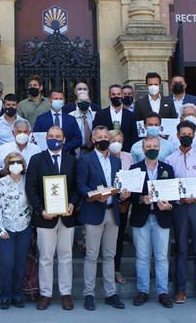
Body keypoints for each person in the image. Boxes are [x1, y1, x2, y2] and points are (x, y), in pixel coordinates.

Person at [25, 125, 79, 311]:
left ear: (64, 140)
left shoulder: (72, 160)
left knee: (66, 256)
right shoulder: (36, 160)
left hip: (67, 217)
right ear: (45, 138)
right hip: (45, 218)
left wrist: (72, 203)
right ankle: (45, 294)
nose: (54, 138)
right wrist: (40, 210)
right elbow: (30, 188)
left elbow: (76, 188)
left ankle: (66, 293)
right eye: (50, 136)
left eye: (57, 136)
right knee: (46, 258)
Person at [164, 121, 196, 304]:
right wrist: (178, 196)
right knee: (180, 248)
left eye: (189, 133)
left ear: (193, 136)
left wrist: (195, 197)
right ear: (178, 136)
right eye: (183, 133)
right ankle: (180, 290)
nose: (186, 136)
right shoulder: (170, 159)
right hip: (178, 208)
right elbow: (167, 186)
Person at [77, 126, 128, 310]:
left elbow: (118, 184)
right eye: (100, 137)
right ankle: (89, 294)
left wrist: (123, 193)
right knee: (91, 255)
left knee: (109, 255)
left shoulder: (116, 161)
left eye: (106, 136)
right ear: (93, 139)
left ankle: (110, 293)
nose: (104, 139)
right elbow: (80, 185)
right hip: (93, 212)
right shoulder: (85, 159)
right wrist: (94, 194)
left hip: (112, 212)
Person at [128, 135, 175, 308]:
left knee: (162, 257)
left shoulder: (168, 169)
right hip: (141, 217)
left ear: (160, 148)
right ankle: (143, 291)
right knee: (142, 257)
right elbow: (130, 196)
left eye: (155, 145)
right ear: (143, 149)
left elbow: (173, 194)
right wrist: (141, 199)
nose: (152, 148)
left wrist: (168, 206)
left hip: (162, 217)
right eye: (148, 146)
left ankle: (163, 292)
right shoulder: (134, 169)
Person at [0, 151, 32, 309]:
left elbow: (31, 204)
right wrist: (0, 228)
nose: (16, 165)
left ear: (23, 165)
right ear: (7, 166)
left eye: (18, 162)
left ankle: (17, 294)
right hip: (6, 229)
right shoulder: (0, 183)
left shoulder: (28, 182)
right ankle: (5, 295)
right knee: (7, 263)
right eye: (12, 162)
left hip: (24, 227)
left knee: (20, 263)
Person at [108, 129, 133, 285]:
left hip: (124, 204)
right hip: (107, 203)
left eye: (119, 141)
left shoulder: (128, 157)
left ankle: (116, 270)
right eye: (113, 141)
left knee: (118, 240)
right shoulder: (104, 157)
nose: (116, 144)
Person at [34, 90, 82, 155]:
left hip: (68, 155)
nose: (58, 100)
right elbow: (36, 138)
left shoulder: (71, 119)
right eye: (56, 99)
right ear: (49, 100)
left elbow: (78, 139)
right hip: (46, 156)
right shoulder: (41, 119)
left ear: (64, 101)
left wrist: (63, 148)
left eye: (61, 99)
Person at [93, 84, 137, 152]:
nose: (116, 96)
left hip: (126, 152)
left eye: (118, 94)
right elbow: (96, 134)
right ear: (109, 96)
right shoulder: (100, 115)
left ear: (122, 95)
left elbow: (134, 136)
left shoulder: (131, 115)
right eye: (113, 94)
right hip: (106, 151)